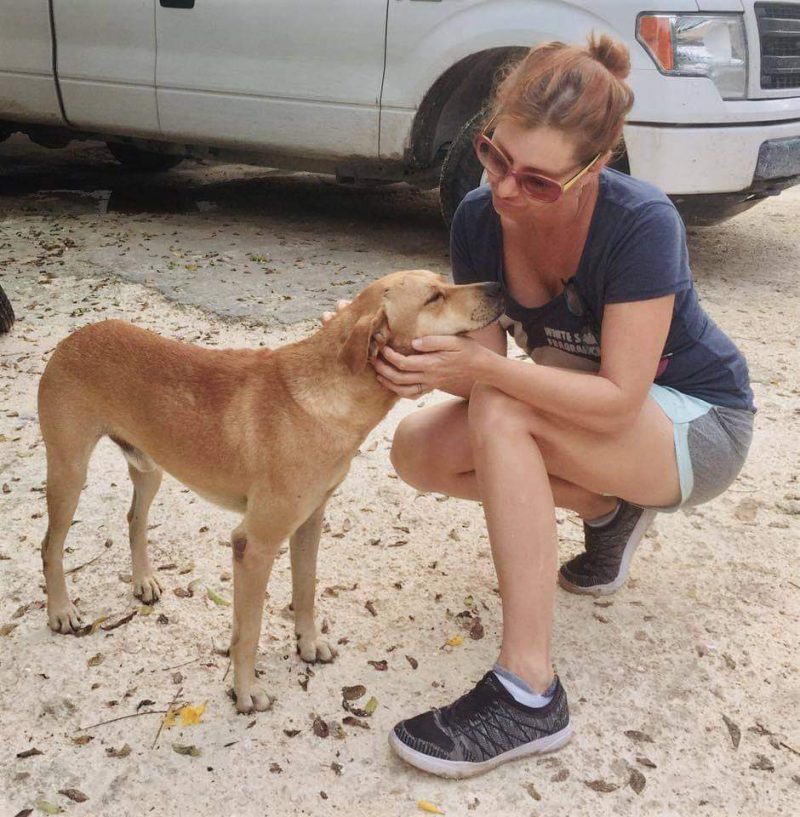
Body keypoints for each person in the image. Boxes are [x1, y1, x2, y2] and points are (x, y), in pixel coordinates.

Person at [326, 34, 755, 778]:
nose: (505, 191)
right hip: (598, 417)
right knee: (416, 450)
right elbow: (484, 365)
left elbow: (618, 397)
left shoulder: (641, 221)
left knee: (505, 411)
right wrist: (417, 364)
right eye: (496, 158)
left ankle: (529, 692)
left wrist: (478, 376)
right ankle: (605, 508)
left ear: (598, 165)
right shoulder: (477, 216)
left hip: (698, 419)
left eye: (539, 181)